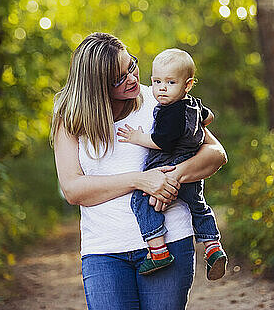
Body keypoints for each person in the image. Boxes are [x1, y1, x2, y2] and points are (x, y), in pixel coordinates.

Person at [51, 32, 227, 310]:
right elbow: (73, 189)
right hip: (104, 251)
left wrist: (172, 177)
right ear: (96, 86)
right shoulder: (70, 118)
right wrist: (139, 180)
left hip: (170, 241)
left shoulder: (162, 99)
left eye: (130, 66)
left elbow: (216, 154)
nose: (132, 78)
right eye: (118, 79)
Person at [116, 48, 227, 280]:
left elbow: (162, 141)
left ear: (187, 85)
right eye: (156, 81)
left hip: (169, 165)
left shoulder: (169, 111)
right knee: (198, 206)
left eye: (170, 82)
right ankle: (213, 247)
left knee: (141, 200)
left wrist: (137, 138)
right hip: (192, 172)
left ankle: (157, 250)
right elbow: (208, 118)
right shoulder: (193, 104)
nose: (161, 88)